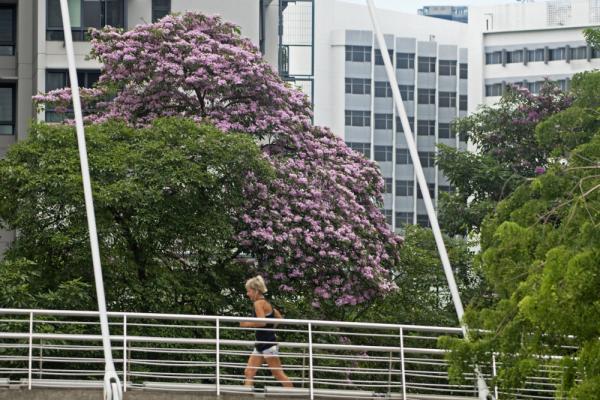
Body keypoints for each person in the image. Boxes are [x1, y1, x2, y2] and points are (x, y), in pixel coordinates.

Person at [241, 276, 293, 388]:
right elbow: (279, 318)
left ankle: (293, 395)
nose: (247, 294)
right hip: (262, 344)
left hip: (268, 345)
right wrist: (271, 329)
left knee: (278, 374)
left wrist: (246, 324)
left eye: (249, 291)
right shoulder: (267, 304)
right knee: (249, 372)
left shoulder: (258, 303)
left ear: (255, 291)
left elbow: (262, 322)